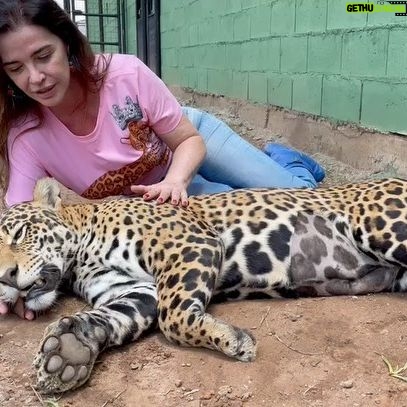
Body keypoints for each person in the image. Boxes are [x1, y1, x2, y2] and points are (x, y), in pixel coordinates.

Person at [0, 0, 325, 319]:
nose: (35, 77)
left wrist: (177, 180)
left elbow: (188, 140)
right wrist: (13, 280)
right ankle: (241, 177)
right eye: (15, 68)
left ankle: (289, 161)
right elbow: (19, 224)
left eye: (44, 56)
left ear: (67, 42)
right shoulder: (26, 135)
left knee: (303, 199)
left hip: (188, 144)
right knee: (262, 220)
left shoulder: (124, 73)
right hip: (156, 202)